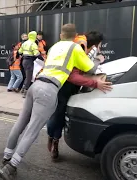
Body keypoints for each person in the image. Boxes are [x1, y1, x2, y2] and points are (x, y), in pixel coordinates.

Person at [0, 24, 102, 180]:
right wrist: (98, 59)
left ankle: (6, 158)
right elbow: (90, 69)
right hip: (49, 90)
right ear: (74, 36)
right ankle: (11, 166)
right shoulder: (75, 48)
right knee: (32, 131)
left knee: (20, 123)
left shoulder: (54, 47)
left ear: (61, 35)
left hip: (36, 85)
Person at [46, 31, 112, 160]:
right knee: (57, 116)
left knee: (65, 116)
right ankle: (53, 139)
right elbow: (73, 76)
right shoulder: (79, 49)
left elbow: (88, 69)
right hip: (63, 88)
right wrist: (94, 83)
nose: (100, 48)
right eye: (99, 45)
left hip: (74, 89)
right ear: (95, 45)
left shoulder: (87, 51)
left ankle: (55, 139)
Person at [18, 31, 40, 98]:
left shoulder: (25, 43)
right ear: (34, 36)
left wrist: (24, 55)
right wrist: (43, 59)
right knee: (29, 77)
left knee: (27, 76)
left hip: (24, 61)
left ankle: (23, 89)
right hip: (29, 61)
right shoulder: (33, 44)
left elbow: (19, 51)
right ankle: (25, 92)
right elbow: (37, 54)